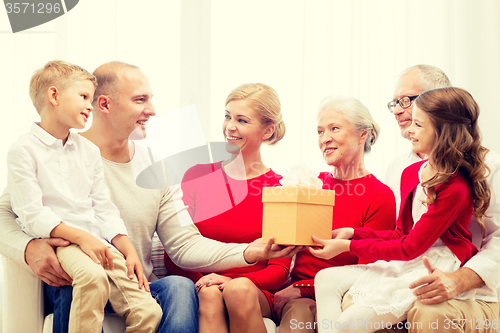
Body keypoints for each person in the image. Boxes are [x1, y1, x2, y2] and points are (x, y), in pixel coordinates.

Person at [0, 61, 299, 333]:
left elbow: (184, 245)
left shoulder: (157, 169)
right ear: (104, 104)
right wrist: (28, 247)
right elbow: (7, 214)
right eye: (141, 100)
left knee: (180, 288)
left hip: (135, 284)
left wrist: (250, 253)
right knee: (78, 287)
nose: (153, 110)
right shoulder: (56, 153)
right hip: (77, 279)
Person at [313, 87, 492, 333]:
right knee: (325, 278)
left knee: (346, 325)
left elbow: (410, 247)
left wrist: (348, 246)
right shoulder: (410, 173)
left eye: (418, 125)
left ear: (442, 132)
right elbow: (400, 234)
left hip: (434, 264)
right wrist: (354, 233)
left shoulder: (456, 188)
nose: (409, 131)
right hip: (408, 257)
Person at [6, 60, 162, 333]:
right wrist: (82, 237)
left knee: (148, 311)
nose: (90, 105)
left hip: (99, 242)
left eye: (91, 98)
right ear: (54, 96)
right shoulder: (23, 151)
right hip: (65, 243)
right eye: (83, 97)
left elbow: (103, 205)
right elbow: (30, 212)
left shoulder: (88, 151)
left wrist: (126, 247)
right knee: (92, 280)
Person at [164, 83, 291, 333]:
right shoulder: (197, 175)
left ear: (267, 131)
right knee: (211, 295)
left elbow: (279, 269)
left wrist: (230, 280)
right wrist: (203, 283)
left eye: (242, 120)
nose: (230, 127)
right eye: (227, 116)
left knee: (237, 290)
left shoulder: (280, 189)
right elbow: (174, 254)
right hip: (202, 287)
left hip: (254, 290)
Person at [385, 65, 500, 333]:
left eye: (406, 101)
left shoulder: (489, 166)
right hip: (412, 278)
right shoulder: (399, 167)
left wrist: (459, 280)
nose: (398, 111)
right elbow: (400, 235)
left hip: (476, 291)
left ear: (439, 103)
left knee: (429, 313)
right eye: (394, 103)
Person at [274, 96, 396, 333]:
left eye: (334, 128)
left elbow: (368, 271)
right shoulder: (311, 184)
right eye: (320, 131)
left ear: (363, 135)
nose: (324, 138)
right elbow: (283, 243)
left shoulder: (380, 195)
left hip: (344, 294)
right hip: (299, 297)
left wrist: (303, 287)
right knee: (299, 315)